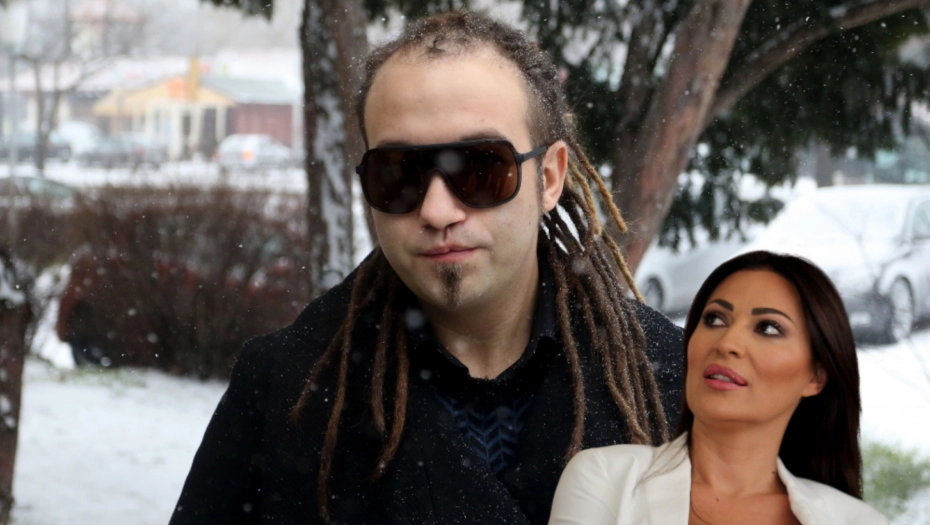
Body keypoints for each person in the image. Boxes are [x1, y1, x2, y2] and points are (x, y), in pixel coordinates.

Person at [170, 10, 683, 525]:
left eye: (481, 167)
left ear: (548, 178)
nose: (437, 211)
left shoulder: (671, 383)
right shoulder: (286, 389)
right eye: (398, 174)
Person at [549, 250, 886, 525]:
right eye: (714, 319)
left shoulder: (857, 521)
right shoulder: (607, 479)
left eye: (768, 328)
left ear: (816, 377)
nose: (727, 343)